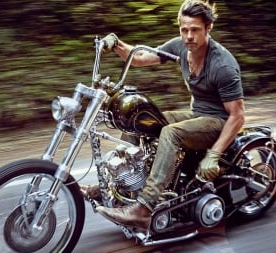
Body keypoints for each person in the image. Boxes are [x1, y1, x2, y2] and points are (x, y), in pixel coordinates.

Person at [83, 0, 245, 229]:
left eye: (195, 30)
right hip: (197, 114)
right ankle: (119, 184)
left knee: (170, 133)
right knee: (139, 123)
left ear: (208, 28)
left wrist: (214, 154)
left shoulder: (222, 65)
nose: (188, 35)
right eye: (184, 29)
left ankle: (144, 208)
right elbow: (139, 58)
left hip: (219, 121)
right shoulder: (181, 46)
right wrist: (117, 43)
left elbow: (237, 116)